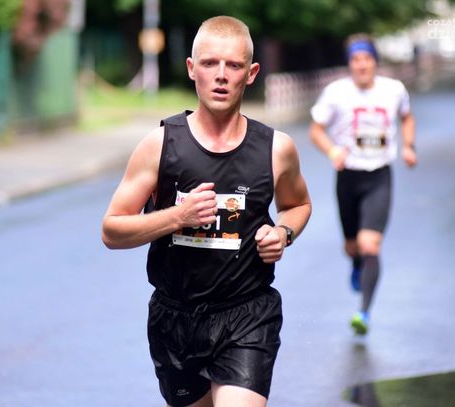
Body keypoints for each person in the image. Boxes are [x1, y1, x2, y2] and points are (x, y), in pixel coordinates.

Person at [102, 15, 311, 407]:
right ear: (191, 68)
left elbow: (297, 204)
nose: (221, 76)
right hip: (175, 319)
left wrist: (283, 233)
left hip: (247, 315)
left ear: (251, 74)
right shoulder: (160, 145)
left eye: (233, 65)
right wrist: (177, 217)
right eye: (210, 63)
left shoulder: (276, 148)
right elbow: (112, 231)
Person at [309, 33, 417, 336]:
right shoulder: (336, 92)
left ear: (375, 62)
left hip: (379, 175)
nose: (361, 65)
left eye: (367, 59)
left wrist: (409, 146)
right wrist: (332, 150)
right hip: (348, 176)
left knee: (371, 244)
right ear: (349, 64)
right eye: (355, 60)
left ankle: (364, 312)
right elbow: (316, 130)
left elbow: (407, 118)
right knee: (352, 246)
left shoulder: (393, 90)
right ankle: (356, 262)